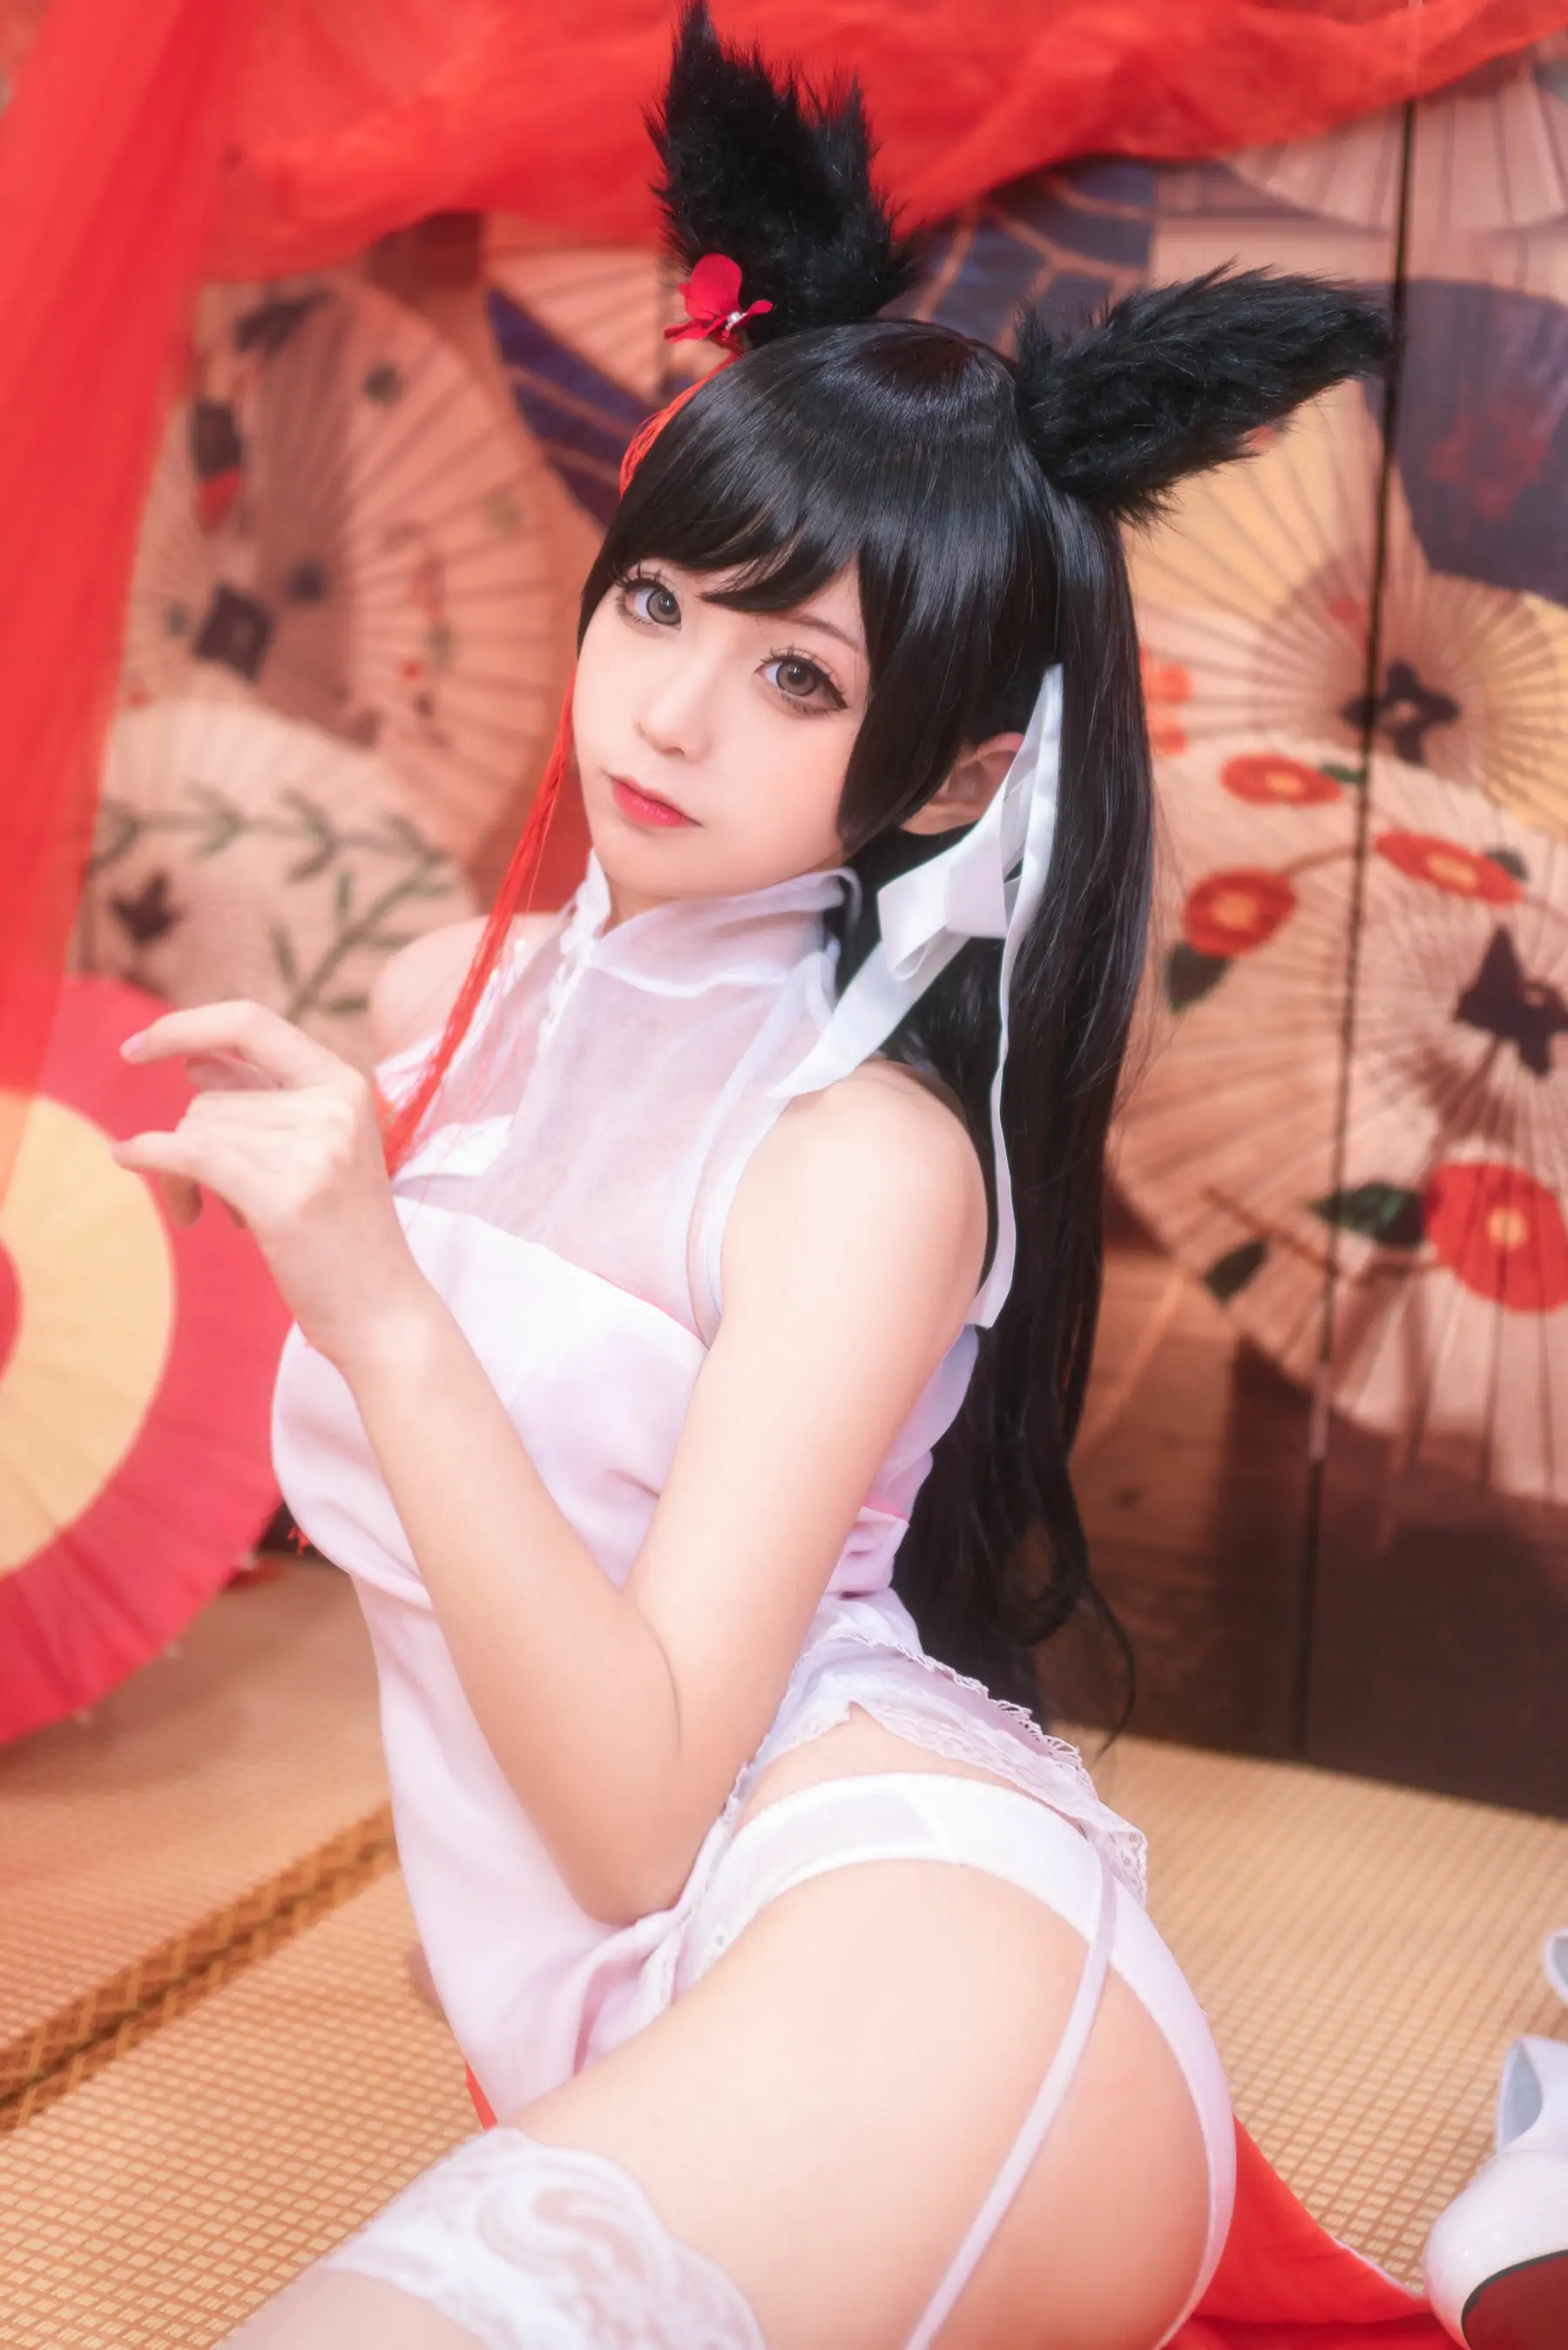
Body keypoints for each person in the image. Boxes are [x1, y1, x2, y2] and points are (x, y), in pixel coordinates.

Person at [112, 9, 1435, 2346]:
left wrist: (376, 1298)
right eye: (657, 602)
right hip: (645, 1993)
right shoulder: (444, 999)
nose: (674, 710)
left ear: (957, 776)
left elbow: (640, 1812)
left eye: (801, 678)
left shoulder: (869, 1160)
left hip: (894, 1926)